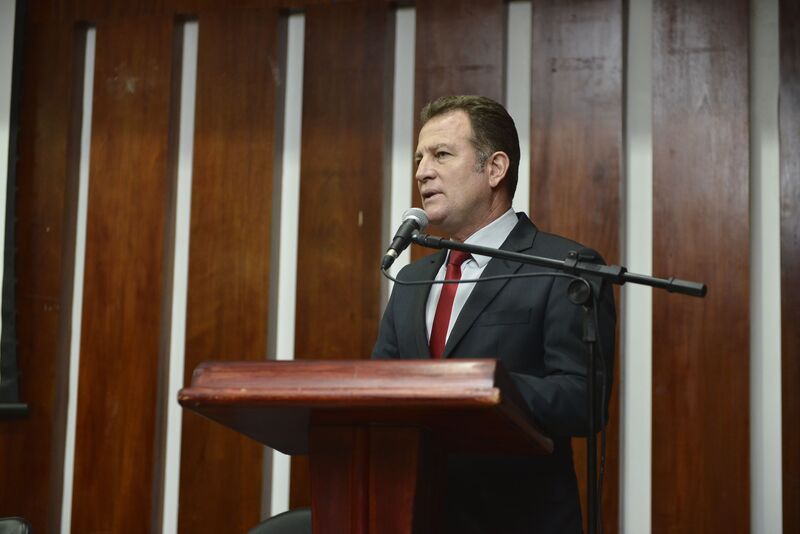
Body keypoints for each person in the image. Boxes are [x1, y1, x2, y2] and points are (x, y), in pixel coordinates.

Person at [372, 95, 616, 533]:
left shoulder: (565, 268)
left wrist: (480, 387)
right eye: (419, 158)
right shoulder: (411, 280)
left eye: (441, 154)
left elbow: (583, 400)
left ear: (495, 169)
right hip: (416, 517)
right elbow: (379, 392)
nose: (422, 171)